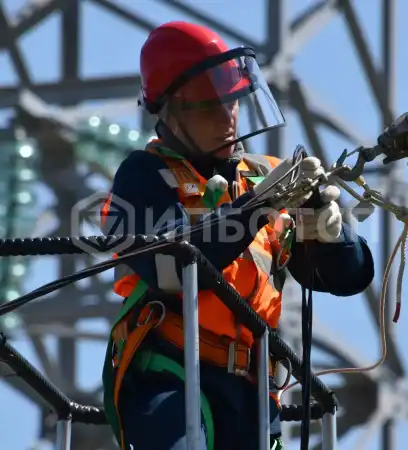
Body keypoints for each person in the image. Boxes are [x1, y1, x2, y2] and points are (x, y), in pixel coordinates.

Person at [100, 21, 375, 450]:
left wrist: (331, 232)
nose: (227, 119)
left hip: (252, 392)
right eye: (210, 108)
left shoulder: (264, 176)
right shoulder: (145, 176)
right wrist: (255, 210)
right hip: (173, 373)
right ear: (171, 110)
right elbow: (171, 266)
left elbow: (347, 277)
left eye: (232, 104)